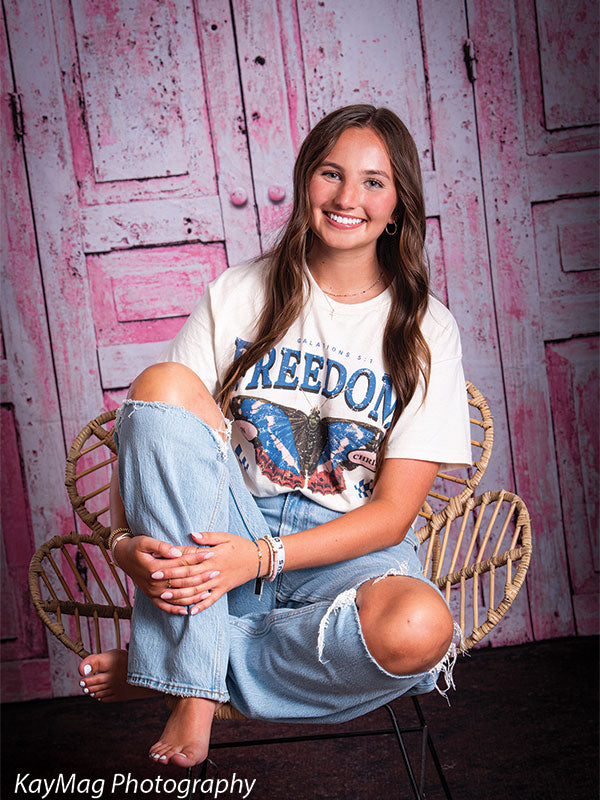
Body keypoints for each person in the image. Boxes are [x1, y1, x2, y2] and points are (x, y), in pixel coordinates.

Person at [77, 104, 472, 768]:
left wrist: (263, 559)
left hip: (343, 552)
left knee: (419, 629)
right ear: (305, 183)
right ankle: (196, 686)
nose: (349, 198)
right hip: (220, 526)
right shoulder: (239, 292)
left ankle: (179, 662)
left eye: (374, 182)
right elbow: (156, 430)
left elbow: (394, 514)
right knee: (162, 378)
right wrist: (121, 545)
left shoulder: (427, 329)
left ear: (400, 203)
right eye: (331, 173)